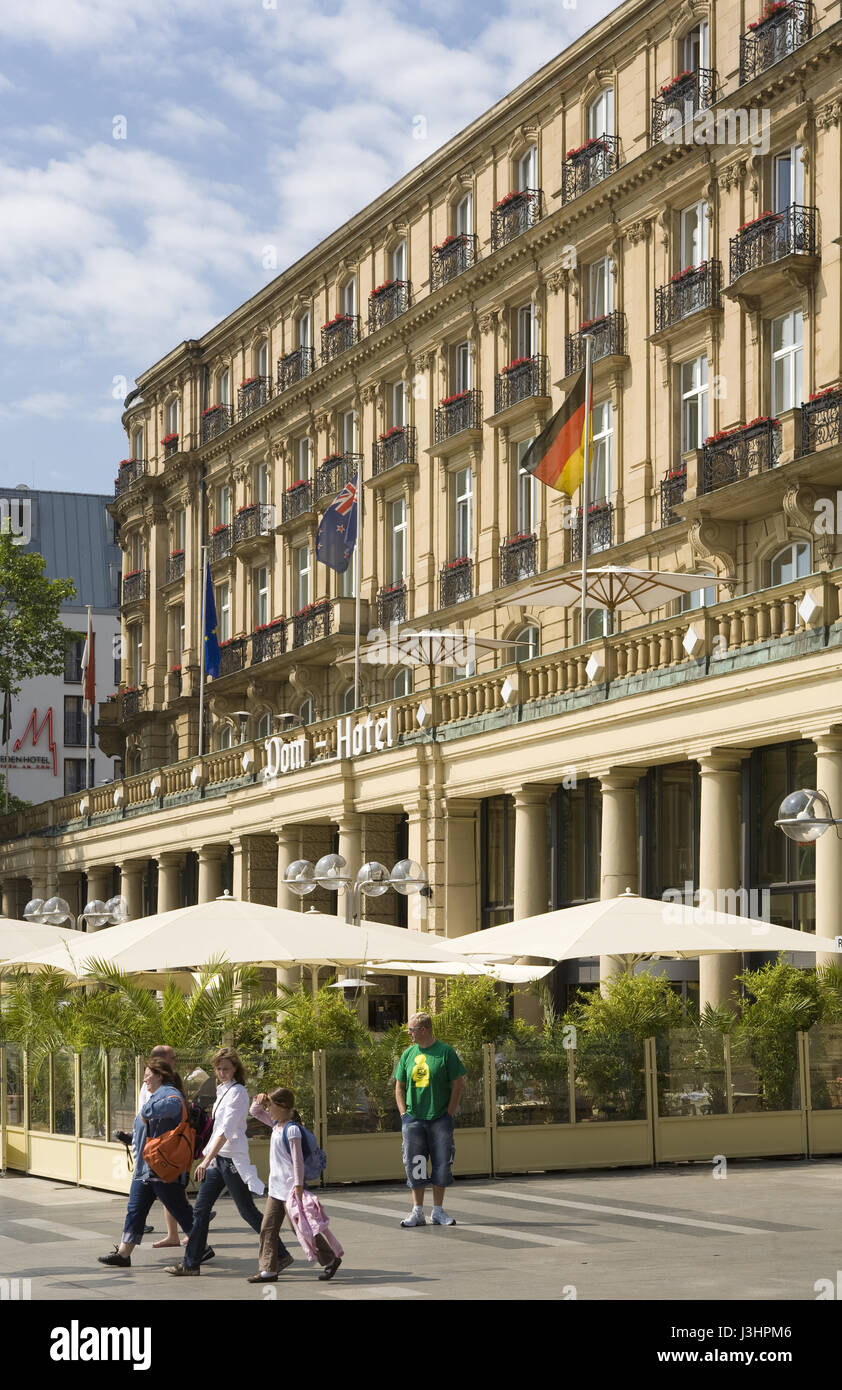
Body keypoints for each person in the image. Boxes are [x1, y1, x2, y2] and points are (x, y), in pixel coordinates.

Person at [165, 1046, 293, 1277]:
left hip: (231, 1159)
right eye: (218, 1069)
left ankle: (281, 1254)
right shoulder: (223, 1089)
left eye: (226, 1068)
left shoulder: (238, 1093)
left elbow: (226, 1130)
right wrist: (210, 1158)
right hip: (219, 1159)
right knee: (201, 1210)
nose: (222, 1072)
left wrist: (205, 1161)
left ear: (235, 1069)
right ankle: (191, 1264)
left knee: (247, 1211)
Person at [98, 1058, 210, 1268]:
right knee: (135, 1209)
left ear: (160, 1076)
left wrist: (146, 1110)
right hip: (147, 1166)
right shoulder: (157, 1093)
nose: (145, 1079)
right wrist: (131, 1137)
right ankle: (123, 1254)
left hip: (161, 1166)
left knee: (180, 1210)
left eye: (148, 1074)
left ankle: (201, 1248)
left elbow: (172, 1106)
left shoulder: (170, 1093)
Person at [249, 1087, 342, 1283]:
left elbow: (297, 1161)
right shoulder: (275, 1124)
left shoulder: (291, 1130)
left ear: (282, 1106)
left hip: (291, 1190)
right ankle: (268, 1270)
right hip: (275, 1190)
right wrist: (260, 1100)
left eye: (271, 1105)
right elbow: (254, 1112)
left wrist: (299, 1187)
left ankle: (330, 1259)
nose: (268, 1109)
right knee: (267, 1229)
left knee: (301, 1229)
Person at [394, 1012, 466, 1228]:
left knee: (442, 1162)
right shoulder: (408, 1054)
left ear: (423, 1030)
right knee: (414, 1163)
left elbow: (458, 1083)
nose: (409, 1034)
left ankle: (437, 1210)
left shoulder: (445, 1053)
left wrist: (449, 1112)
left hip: (439, 1118)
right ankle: (417, 1210)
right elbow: (399, 1085)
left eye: (411, 1030)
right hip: (413, 1119)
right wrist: (403, 1114)